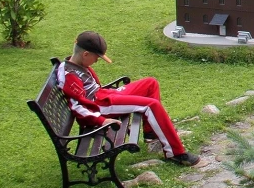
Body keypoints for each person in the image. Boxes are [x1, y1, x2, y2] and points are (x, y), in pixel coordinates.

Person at [57, 31, 200, 166]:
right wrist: (102, 121)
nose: (96, 61)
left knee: (150, 83)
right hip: (100, 106)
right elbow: (77, 107)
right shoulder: (70, 76)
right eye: (96, 57)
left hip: (103, 95)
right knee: (151, 105)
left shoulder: (75, 63)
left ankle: (150, 132)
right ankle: (175, 153)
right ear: (85, 54)